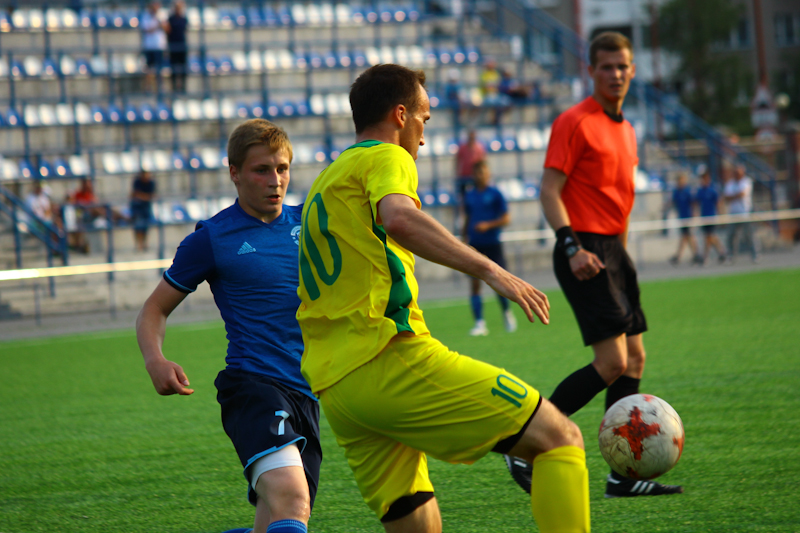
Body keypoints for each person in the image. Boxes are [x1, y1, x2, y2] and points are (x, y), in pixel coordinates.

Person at [297, 64, 589, 533]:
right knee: (560, 437)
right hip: (386, 358)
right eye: (424, 119)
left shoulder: (327, 180)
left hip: (338, 388)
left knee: (418, 523)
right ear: (400, 115)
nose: (424, 134)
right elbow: (399, 217)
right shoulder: (387, 156)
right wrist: (491, 269)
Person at [135, 119, 321, 533]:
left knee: (276, 518)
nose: (275, 180)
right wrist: (155, 360)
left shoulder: (310, 225)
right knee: (293, 499)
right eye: (261, 170)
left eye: (282, 168)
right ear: (234, 172)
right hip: (254, 387)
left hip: (308, 392)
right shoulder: (213, 238)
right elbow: (153, 310)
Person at [523, 31, 683, 498]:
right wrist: (572, 247)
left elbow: (621, 203)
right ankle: (525, 442)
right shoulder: (574, 121)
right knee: (612, 361)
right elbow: (549, 191)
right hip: (582, 248)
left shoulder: (628, 130)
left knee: (635, 358)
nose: (616, 74)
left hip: (614, 249)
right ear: (591, 71)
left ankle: (623, 477)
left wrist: (623, 256)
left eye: (622, 66)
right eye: (607, 66)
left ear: (633, 70)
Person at [462, 160, 516, 336]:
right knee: (474, 283)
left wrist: (488, 225)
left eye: (484, 172)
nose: (481, 176)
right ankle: (479, 323)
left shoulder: (496, 194)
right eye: (478, 173)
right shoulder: (470, 195)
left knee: (499, 281)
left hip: (493, 243)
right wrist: (463, 238)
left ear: (488, 174)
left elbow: (506, 218)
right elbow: (467, 218)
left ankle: (506, 312)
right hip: (475, 245)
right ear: (474, 175)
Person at [723, 164, 760, 263]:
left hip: (745, 213)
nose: (737, 174)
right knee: (731, 236)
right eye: (735, 172)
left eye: (739, 173)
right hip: (733, 213)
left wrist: (733, 196)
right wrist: (735, 195)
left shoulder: (746, 181)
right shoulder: (730, 183)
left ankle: (755, 255)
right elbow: (726, 197)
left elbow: (742, 194)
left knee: (749, 235)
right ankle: (731, 256)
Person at [668, 172, 702, 266]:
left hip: (688, 217)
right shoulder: (676, 192)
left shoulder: (687, 191)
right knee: (687, 236)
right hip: (681, 217)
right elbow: (673, 202)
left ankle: (679, 256)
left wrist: (694, 213)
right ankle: (695, 255)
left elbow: (693, 203)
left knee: (686, 236)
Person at [694, 165, 727, 264]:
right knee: (710, 236)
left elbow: (718, 202)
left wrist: (720, 214)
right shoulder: (700, 191)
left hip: (711, 216)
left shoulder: (712, 190)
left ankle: (706, 256)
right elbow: (697, 203)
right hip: (704, 217)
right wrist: (696, 214)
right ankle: (722, 252)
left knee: (708, 236)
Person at [141, 1, 167, 92]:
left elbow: (167, 29)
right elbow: (147, 30)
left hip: (159, 46)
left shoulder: (162, 15)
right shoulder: (145, 16)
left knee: (160, 69)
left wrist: (160, 23)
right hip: (149, 46)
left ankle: (159, 88)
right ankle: (148, 88)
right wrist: (158, 25)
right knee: (149, 69)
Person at [454, 129, 486, 202]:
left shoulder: (479, 148)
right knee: (463, 196)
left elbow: (482, 162)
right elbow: (458, 160)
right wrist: (457, 173)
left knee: (477, 195)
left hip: (475, 176)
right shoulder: (462, 148)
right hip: (464, 176)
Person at [130, 170, 157, 252]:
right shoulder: (137, 182)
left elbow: (151, 196)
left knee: (146, 226)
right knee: (138, 226)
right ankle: (139, 244)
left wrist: (143, 196)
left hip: (146, 207)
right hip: (137, 207)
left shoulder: (151, 183)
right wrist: (145, 197)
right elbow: (135, 194)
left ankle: (144, 244)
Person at [166, 0, 188, 94]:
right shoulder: (171, 19)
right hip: (173, 46)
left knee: (183, 68)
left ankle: (183, 88)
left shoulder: (184, 19)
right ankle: (174, 88)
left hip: (182, 46)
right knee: (174, 68)